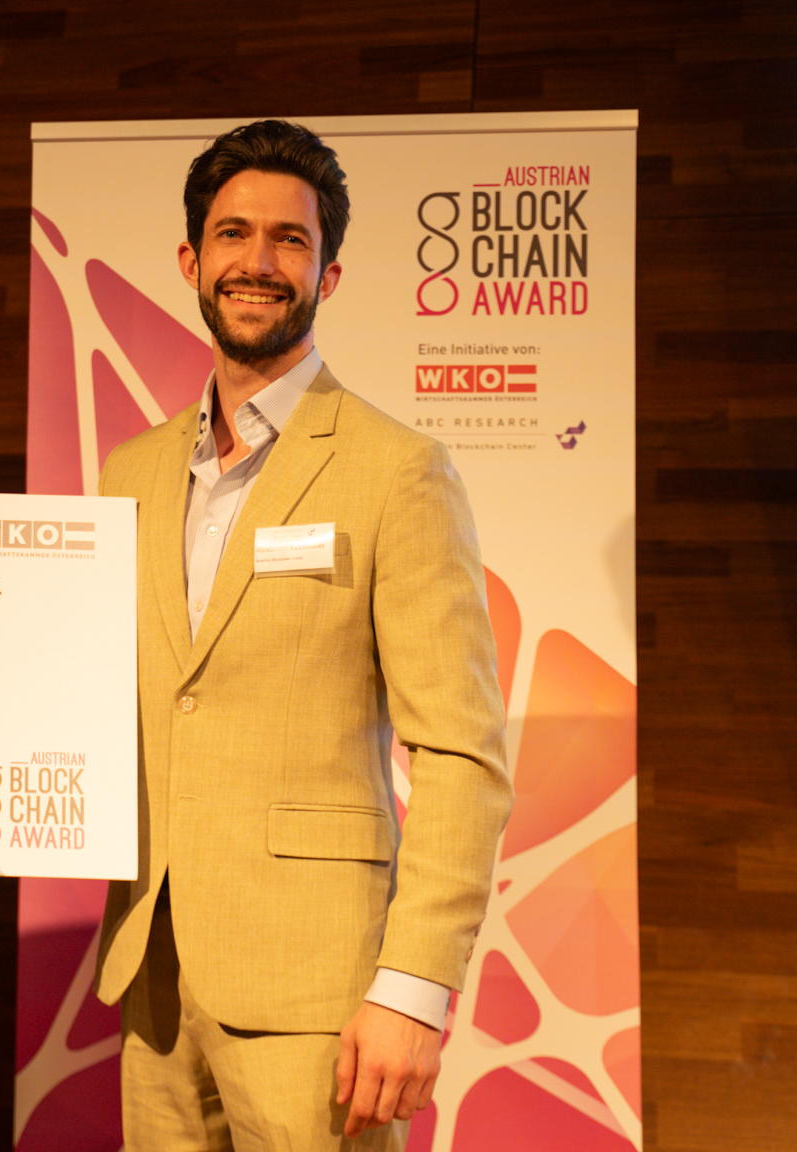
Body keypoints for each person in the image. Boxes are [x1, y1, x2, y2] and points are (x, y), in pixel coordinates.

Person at [96, 120, 510, 1150]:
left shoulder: (396, 470)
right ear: (190, 261)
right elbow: (93, 704)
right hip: (152, 975)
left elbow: (461, 754)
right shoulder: (129, 473)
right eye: (232, 234)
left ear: (327, 275)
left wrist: (411, 988)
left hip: (320, 991)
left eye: (290, 239)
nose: (258, 261)